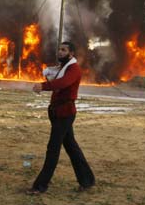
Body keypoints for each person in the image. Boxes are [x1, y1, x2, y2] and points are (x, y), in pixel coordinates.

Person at [27, 41, 95, 195]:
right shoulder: (64, 68)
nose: (60, 52)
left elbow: (63, 83)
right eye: (59, 49)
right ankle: (87, 180)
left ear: (71, 54)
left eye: (64, 50)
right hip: (58, 112)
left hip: (65, 114)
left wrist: (43, 86)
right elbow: (56, 78)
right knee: (71, 147)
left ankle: (40, 186)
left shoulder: (74, 69)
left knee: (53, 149)